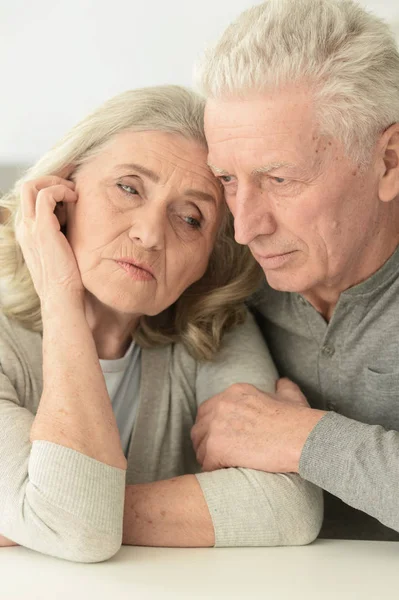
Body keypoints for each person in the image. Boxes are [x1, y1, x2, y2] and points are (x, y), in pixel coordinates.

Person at [0, 85, 322, 561]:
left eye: (191, 219)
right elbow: (77, 530)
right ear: (60, 195)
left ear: (207, 261)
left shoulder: (212, 328)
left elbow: (291, 506)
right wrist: (60, 294)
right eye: (128, 188)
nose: (149, 234)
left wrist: (50, 509)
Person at [192, 0, 399, 541]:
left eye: (279, 180)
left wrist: (299, 438)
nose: (246, 228)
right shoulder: (221, 261)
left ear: (390, 160)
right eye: (228, 180)